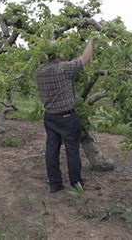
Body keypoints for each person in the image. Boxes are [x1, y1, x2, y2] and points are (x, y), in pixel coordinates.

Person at [35, 38, 94, 193]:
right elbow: (86, 57)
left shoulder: (39, 72)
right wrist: (91, 40)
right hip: (67, 117)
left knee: (51, 149)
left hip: (50, 116)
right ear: (57, 55)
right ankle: (76, 184)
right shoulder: (64, 68)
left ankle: (54, 183)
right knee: (72, 151)